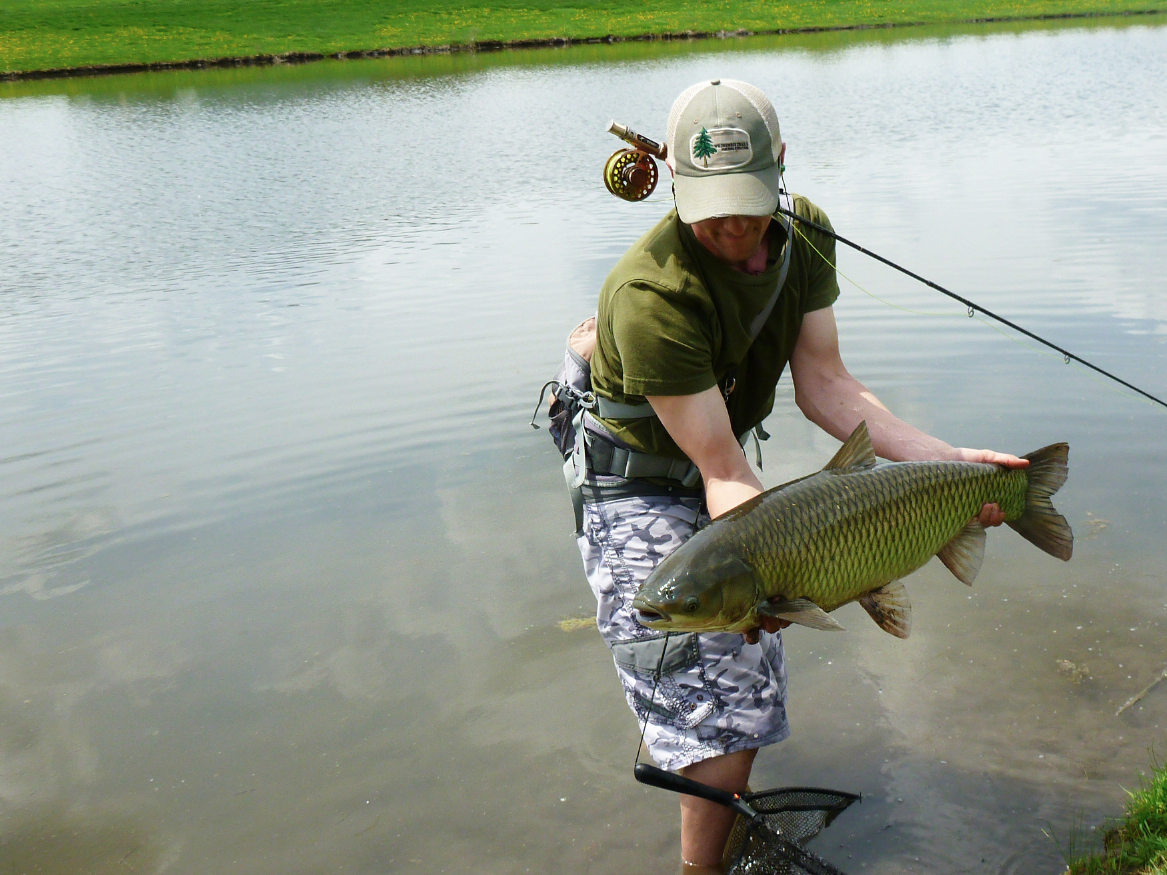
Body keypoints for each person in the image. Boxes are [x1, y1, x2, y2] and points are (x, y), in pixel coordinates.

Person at [572, 78, 1026, 873]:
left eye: (749, 200)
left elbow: (826, 386)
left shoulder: (805, 230)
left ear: (780, 164)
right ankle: (699, 867)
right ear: (673, 178)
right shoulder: (649, 294)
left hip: (724, 468)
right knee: (716, 683)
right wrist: (770, 570)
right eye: (710, 207)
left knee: (754, 665)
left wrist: (944, 463)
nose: (734, 226)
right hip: (642, 478)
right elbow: (721, 467)